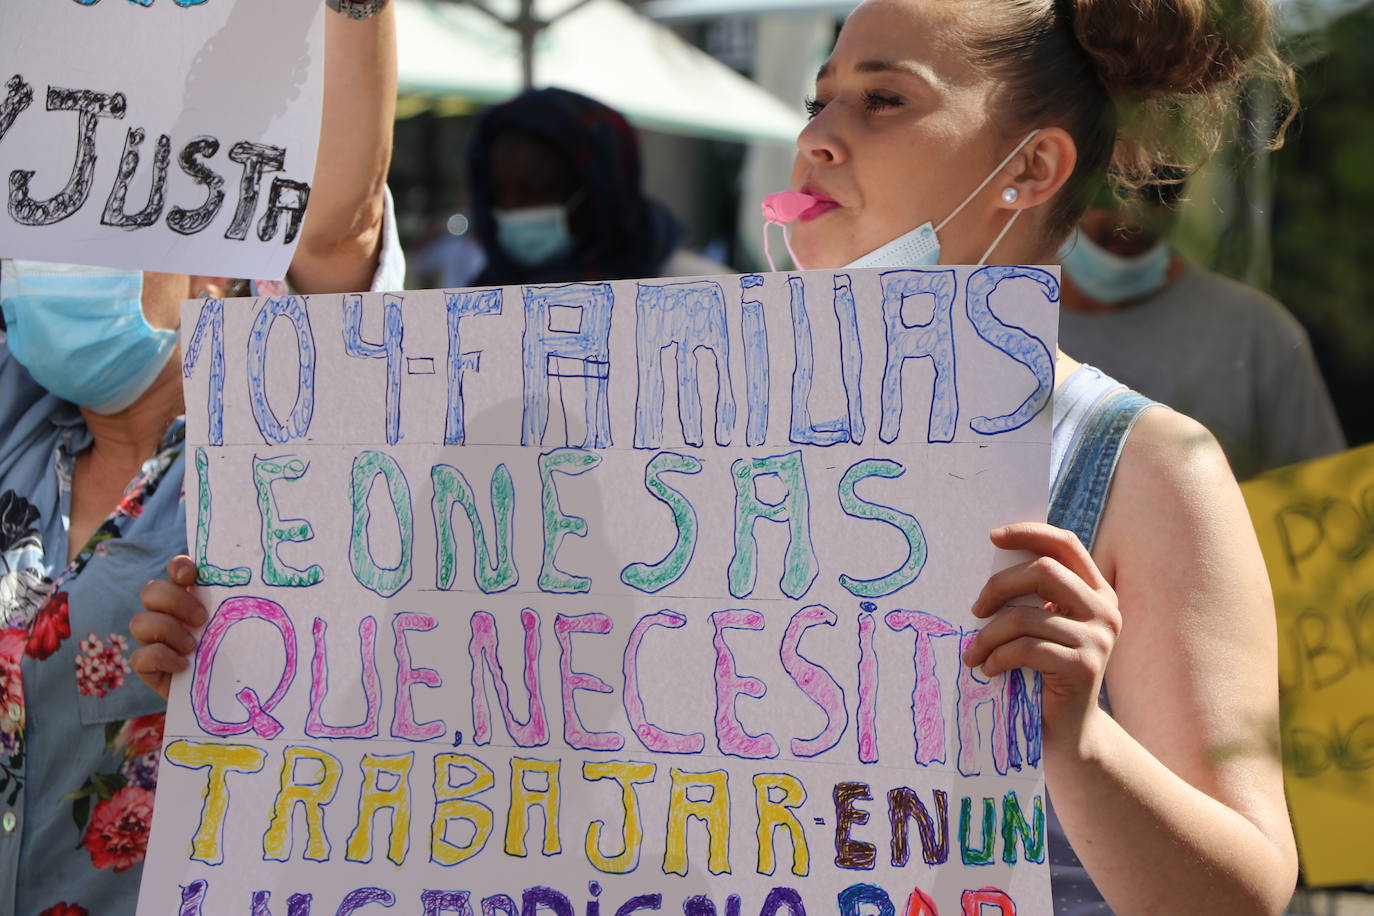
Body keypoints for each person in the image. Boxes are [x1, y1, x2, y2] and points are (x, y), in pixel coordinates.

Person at [137, 1, 1301, 913]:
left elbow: (1241, 893)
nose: (819, 135)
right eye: (820, 95)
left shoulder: (1139, 464)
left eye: (885, 100)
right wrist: (257, 667)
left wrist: (1076, 738)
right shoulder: (663, 424)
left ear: (1031, 170)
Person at [0, 2, 402, 912]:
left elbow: (336, 222)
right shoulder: (21, 421)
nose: (41, 263)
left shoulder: (282, 446)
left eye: (98, 228)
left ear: (214, 268)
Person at [1059, 176, 1346, 479]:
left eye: (1159, 189)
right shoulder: (1013, 318)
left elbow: (1322, 499)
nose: (1131, 216)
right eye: (1109, 192)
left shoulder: (1257, 330)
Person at [467, 87, 727, 286]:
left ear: (597, 192)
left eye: (533, 192)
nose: (512, 209)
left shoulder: (700, 292)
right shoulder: (474, 309)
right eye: (499, 194)